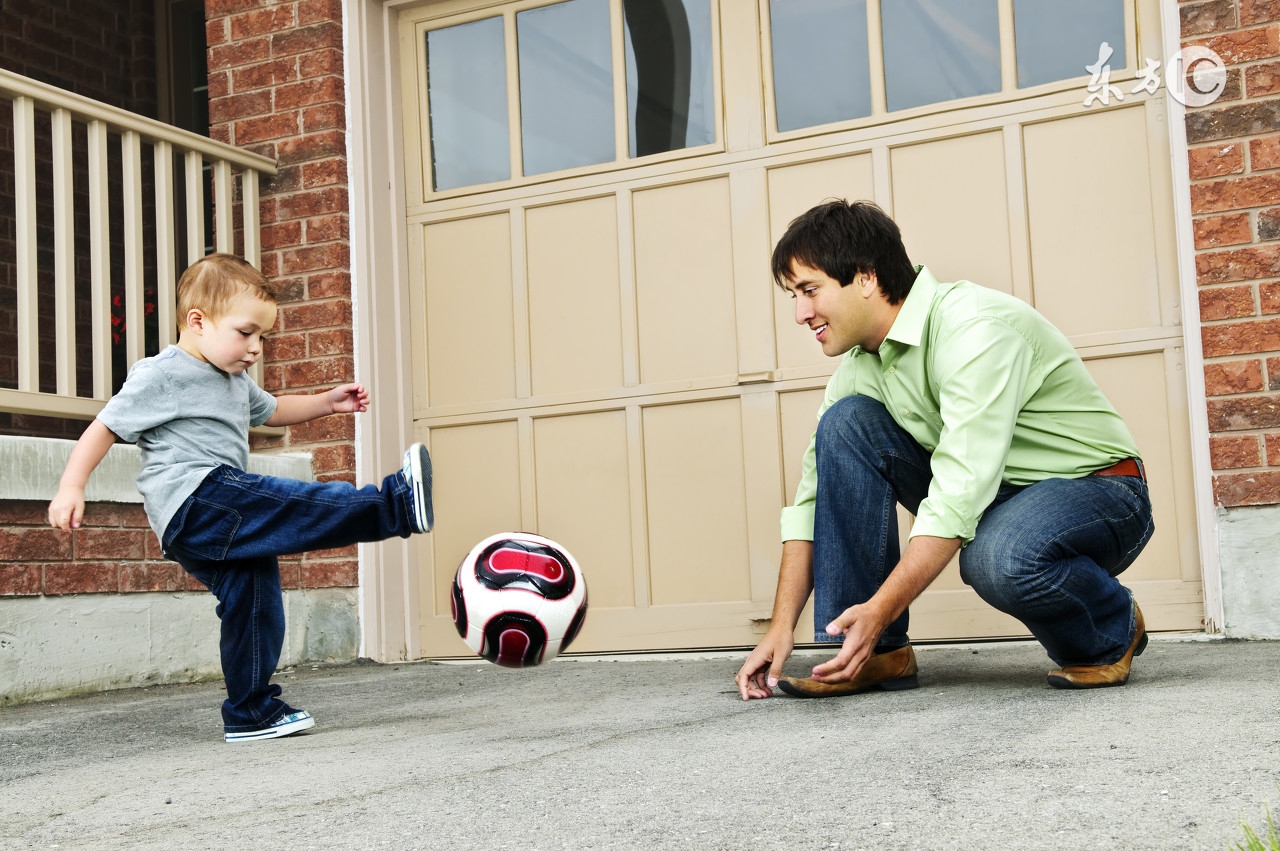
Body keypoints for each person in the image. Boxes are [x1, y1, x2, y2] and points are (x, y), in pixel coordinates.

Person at [735, 200, 1154, 700]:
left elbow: (958, 490)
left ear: (865, 277)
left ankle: (1110, 631)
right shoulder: (858, 371)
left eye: (810, 290)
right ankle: (871, 651)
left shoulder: (973, 328)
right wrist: (780, 627)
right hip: (999, 496)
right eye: (794, 296)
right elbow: (810, 502)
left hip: (1099, 491)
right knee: (846, 426)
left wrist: (884, 601)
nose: (802, 313)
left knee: (998, 559)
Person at [48, 253, 435, 741]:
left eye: (262, 338)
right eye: (246, 332)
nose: (255, 348)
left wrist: (326, 402)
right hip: (198, 498)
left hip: (208, 518)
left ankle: (251, 712)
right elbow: (105, 426)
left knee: (254, 603)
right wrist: (71, 485)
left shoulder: (232, 378)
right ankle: (394, 504)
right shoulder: (162, 374)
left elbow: (271, 412)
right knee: (290, 501)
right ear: (198, 322)